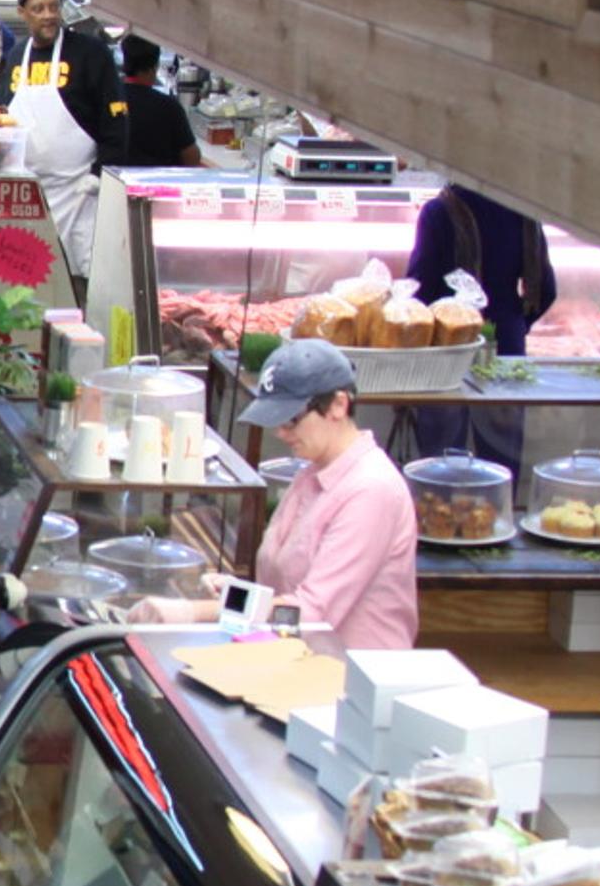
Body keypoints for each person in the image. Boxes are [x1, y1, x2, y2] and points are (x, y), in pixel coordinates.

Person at [229, 336, 421, 651]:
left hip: (353, 681)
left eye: (291, 419)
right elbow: (278, 584)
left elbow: (310, 613)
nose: (281, 432)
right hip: (299, 661)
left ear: (338, 405)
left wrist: (204, 611)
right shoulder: (312, 471)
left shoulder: (371, 490)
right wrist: (232, 592)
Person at [0, 0, 125, 283]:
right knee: (28, 279)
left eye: (54, 7)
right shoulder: (16, 57)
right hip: (28, 194)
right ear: (22, 13)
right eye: (38, 9)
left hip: (80, 193)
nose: (48, 16)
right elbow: (0, 116)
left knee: (81, 279)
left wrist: (100, 173)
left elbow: (116, 122)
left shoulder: (91, 54)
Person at [405, 180, 558, 353]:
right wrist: (515, 324)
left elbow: (420, 291)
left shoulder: (438, 211)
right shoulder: (523, 212)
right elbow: (547, 290)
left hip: (451, 348)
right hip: (507, 342)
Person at [108, 33, 205, 170]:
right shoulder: (168, 107)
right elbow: (192, 158)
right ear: (154, 67)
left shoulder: (108, 101)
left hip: (116, 182)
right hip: (158, 185)